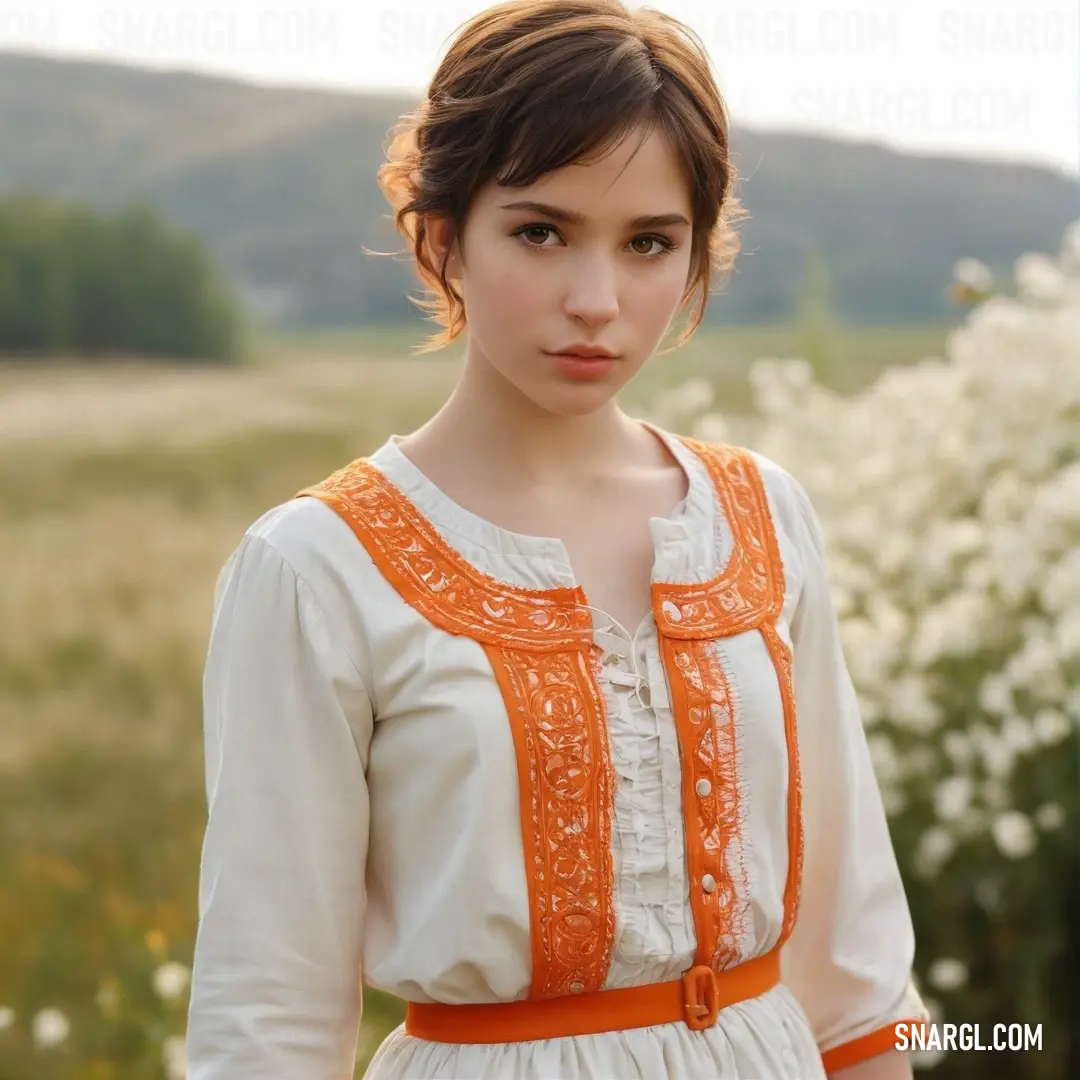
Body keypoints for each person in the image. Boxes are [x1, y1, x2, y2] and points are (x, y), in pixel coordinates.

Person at [185, 0, 930, 1077]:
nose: (598, 301)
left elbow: (856, 959)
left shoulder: (763, 518)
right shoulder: (315, 570)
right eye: (541, 231)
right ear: (441, 236)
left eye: (648, 244)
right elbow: (267, 1020)